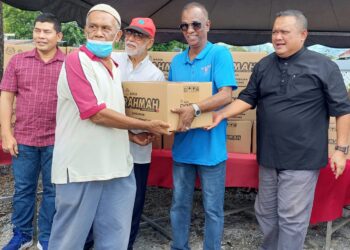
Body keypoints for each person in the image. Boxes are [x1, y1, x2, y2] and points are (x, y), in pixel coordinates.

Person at [209, 9, 350, 250]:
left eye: (285, 31)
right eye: (275, 31)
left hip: (302, 158)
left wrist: (341, 149)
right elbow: (248, 98)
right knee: (265, 213)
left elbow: (342, 110)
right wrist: (221, 113)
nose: (278, 37)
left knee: (291, 218)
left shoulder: (324, 66)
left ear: (303, 34)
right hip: (269, 157)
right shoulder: (264, 65)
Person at [48, 4, 169, 250]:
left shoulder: (114, 67)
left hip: (117, 167)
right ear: (84, 30)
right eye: (93, 27)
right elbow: (96, 114)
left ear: (117, 35)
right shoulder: (77, 60)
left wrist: (131, 137)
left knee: (116, 239)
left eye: (106, 28)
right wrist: (146, 125)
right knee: (68, 240)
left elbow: (113, 112)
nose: (99, 33)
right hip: (82, 168)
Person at [168, 2, 237, 249]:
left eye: (196, 24)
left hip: (211, 150)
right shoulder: (176, 61)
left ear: (207, 25)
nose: (190, 30)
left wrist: (195, 109)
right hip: (183, 149)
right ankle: (179, 246)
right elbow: (171, 103)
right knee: (179, 205)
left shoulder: (219, 54)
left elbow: (226, 95)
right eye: (184, 25)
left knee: (213, 210)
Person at [0, 13, 64, 250]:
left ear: (59, 36)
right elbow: (6, 97)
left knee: (53, 191)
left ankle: (47, 237)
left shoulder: (69, 66)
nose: (40, 36)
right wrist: (6, 133)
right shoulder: (18, 61)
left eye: (46, 31)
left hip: (56, 139)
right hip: (24, 138)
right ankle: (22, 234)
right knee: (23, 189)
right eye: (37, 30)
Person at [112, 17, 165, 249]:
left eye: (139, 36)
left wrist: (151, 132)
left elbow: (158, 115)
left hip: (138, 150)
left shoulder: (156, 76)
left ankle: (127, 244)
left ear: (150, 43)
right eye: (130, 34)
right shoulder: (111, 61)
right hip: (109, 143)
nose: (132, 39)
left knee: (133, 201)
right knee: (106, 199)